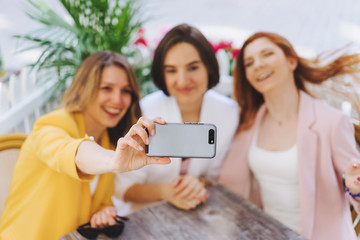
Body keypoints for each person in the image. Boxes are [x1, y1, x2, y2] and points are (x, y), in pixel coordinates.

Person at [0, 51, 170, 240]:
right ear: (81, 89)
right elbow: (73, 152)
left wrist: (104, 213)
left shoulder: (108, 140)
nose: (117, 100)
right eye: (106, 88)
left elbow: (100, 202)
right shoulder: (51, 124)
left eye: (126, 90)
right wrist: (112, 159)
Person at [218, 31, 360, 240]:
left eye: (267, 54)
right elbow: (230, 184)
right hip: (267, 233)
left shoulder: (331, 122)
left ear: (291, 61)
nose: (258, 64)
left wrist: (355, 189)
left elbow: (356, 187)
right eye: (249, 63)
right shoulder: (249, 122)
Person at [114, 24, 239, 213]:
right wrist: (165, 191)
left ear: (209, 67)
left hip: (196, 215)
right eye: (171, 70)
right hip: (142, 216)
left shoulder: (228, 113)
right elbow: (123, 189)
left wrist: (197, 183)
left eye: (193, 67)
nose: (182, 80)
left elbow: (215, 178)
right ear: (162, 74)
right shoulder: (145, 112)